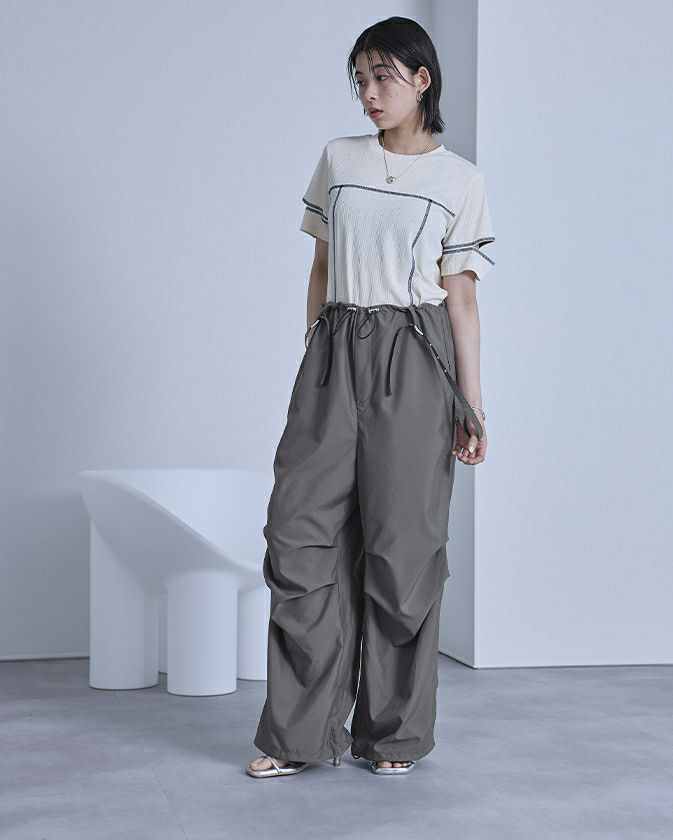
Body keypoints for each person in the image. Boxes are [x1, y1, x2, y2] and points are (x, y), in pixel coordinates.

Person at [247, 15, 495, 779]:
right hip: (336, 350)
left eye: (382, 76)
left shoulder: (460, 180)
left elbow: (461, 299)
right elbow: (322, 265)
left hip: (415, 357)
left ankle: (392, 736)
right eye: (359, 79)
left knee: (402, 550)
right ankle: (298, 735)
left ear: (422, 79)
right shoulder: (339, 157)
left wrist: (471, 404)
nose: (368, 93)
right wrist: (316, 348)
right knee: (299, 537)